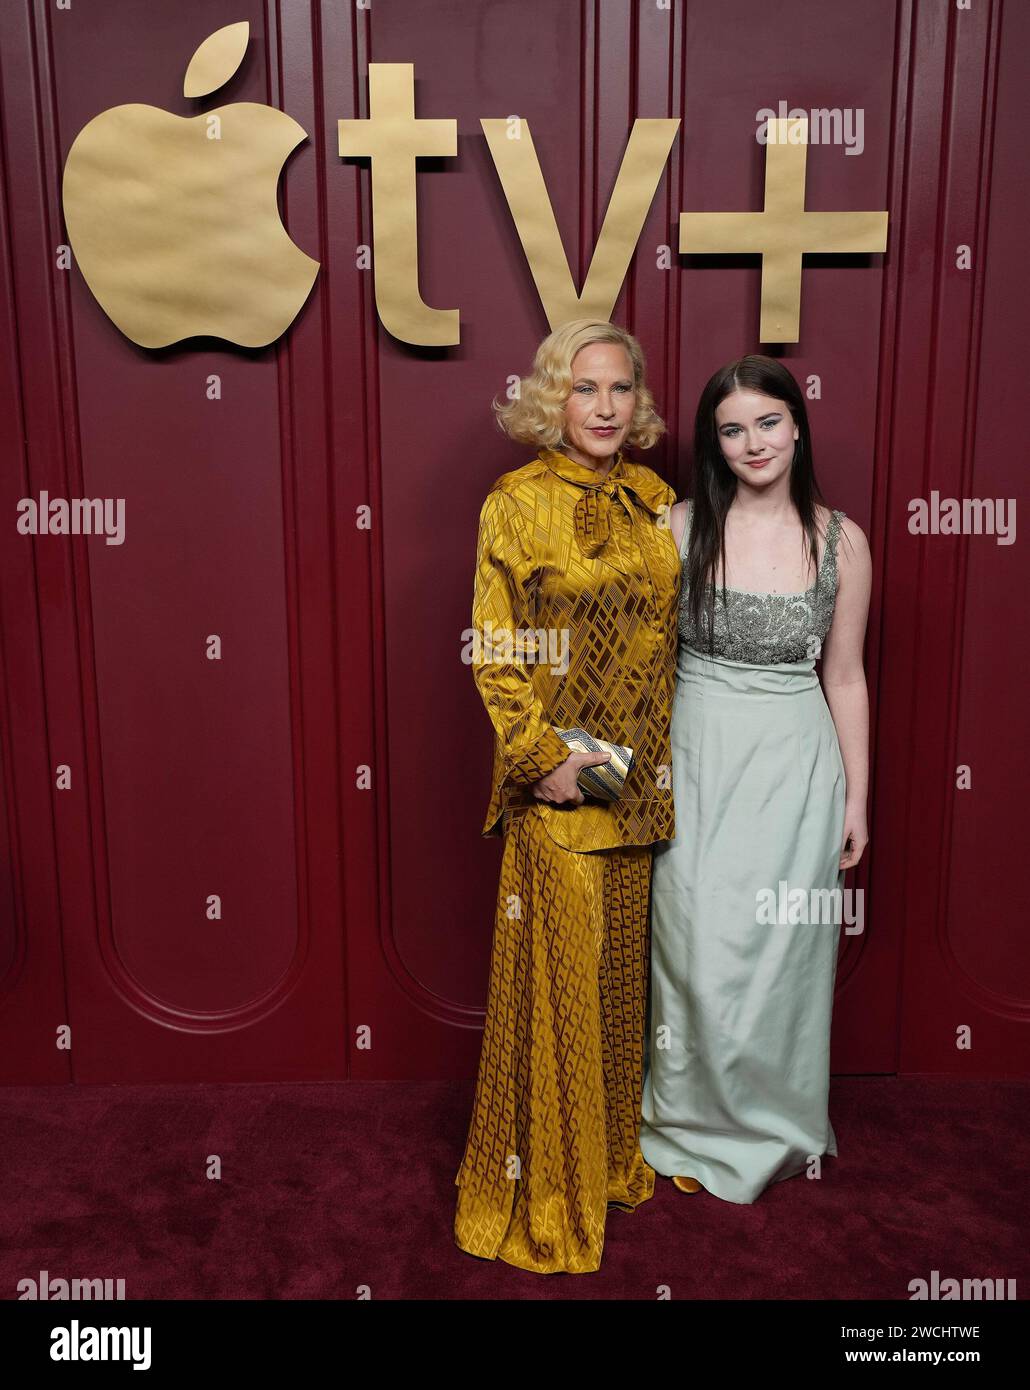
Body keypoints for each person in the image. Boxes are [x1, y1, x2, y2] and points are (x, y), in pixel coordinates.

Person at [453, 318, 681, 1272]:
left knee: (619, 994)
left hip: (642, 790)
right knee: (560, 1001)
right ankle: (550, 1190)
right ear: (554, 397)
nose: (605, 406)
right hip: (558, 788)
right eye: (585, 388)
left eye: (620, 388)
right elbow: (495, 649)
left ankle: (606, 1161)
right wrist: (540, 758)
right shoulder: (514, 503)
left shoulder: (656, 500)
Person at [640, 354, 871, 1204]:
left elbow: (844, 676)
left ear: (796, 426)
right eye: (732, 430)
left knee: (782, 959)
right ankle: (682, 1122)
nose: (754, 443)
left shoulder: (842, 542)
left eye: (767, 422)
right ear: (716, 443)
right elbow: (637, 669)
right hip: (698, 759)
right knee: (694, 951)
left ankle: (778, 1125)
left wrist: (857, 800)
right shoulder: (674, 529)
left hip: (797, 769)